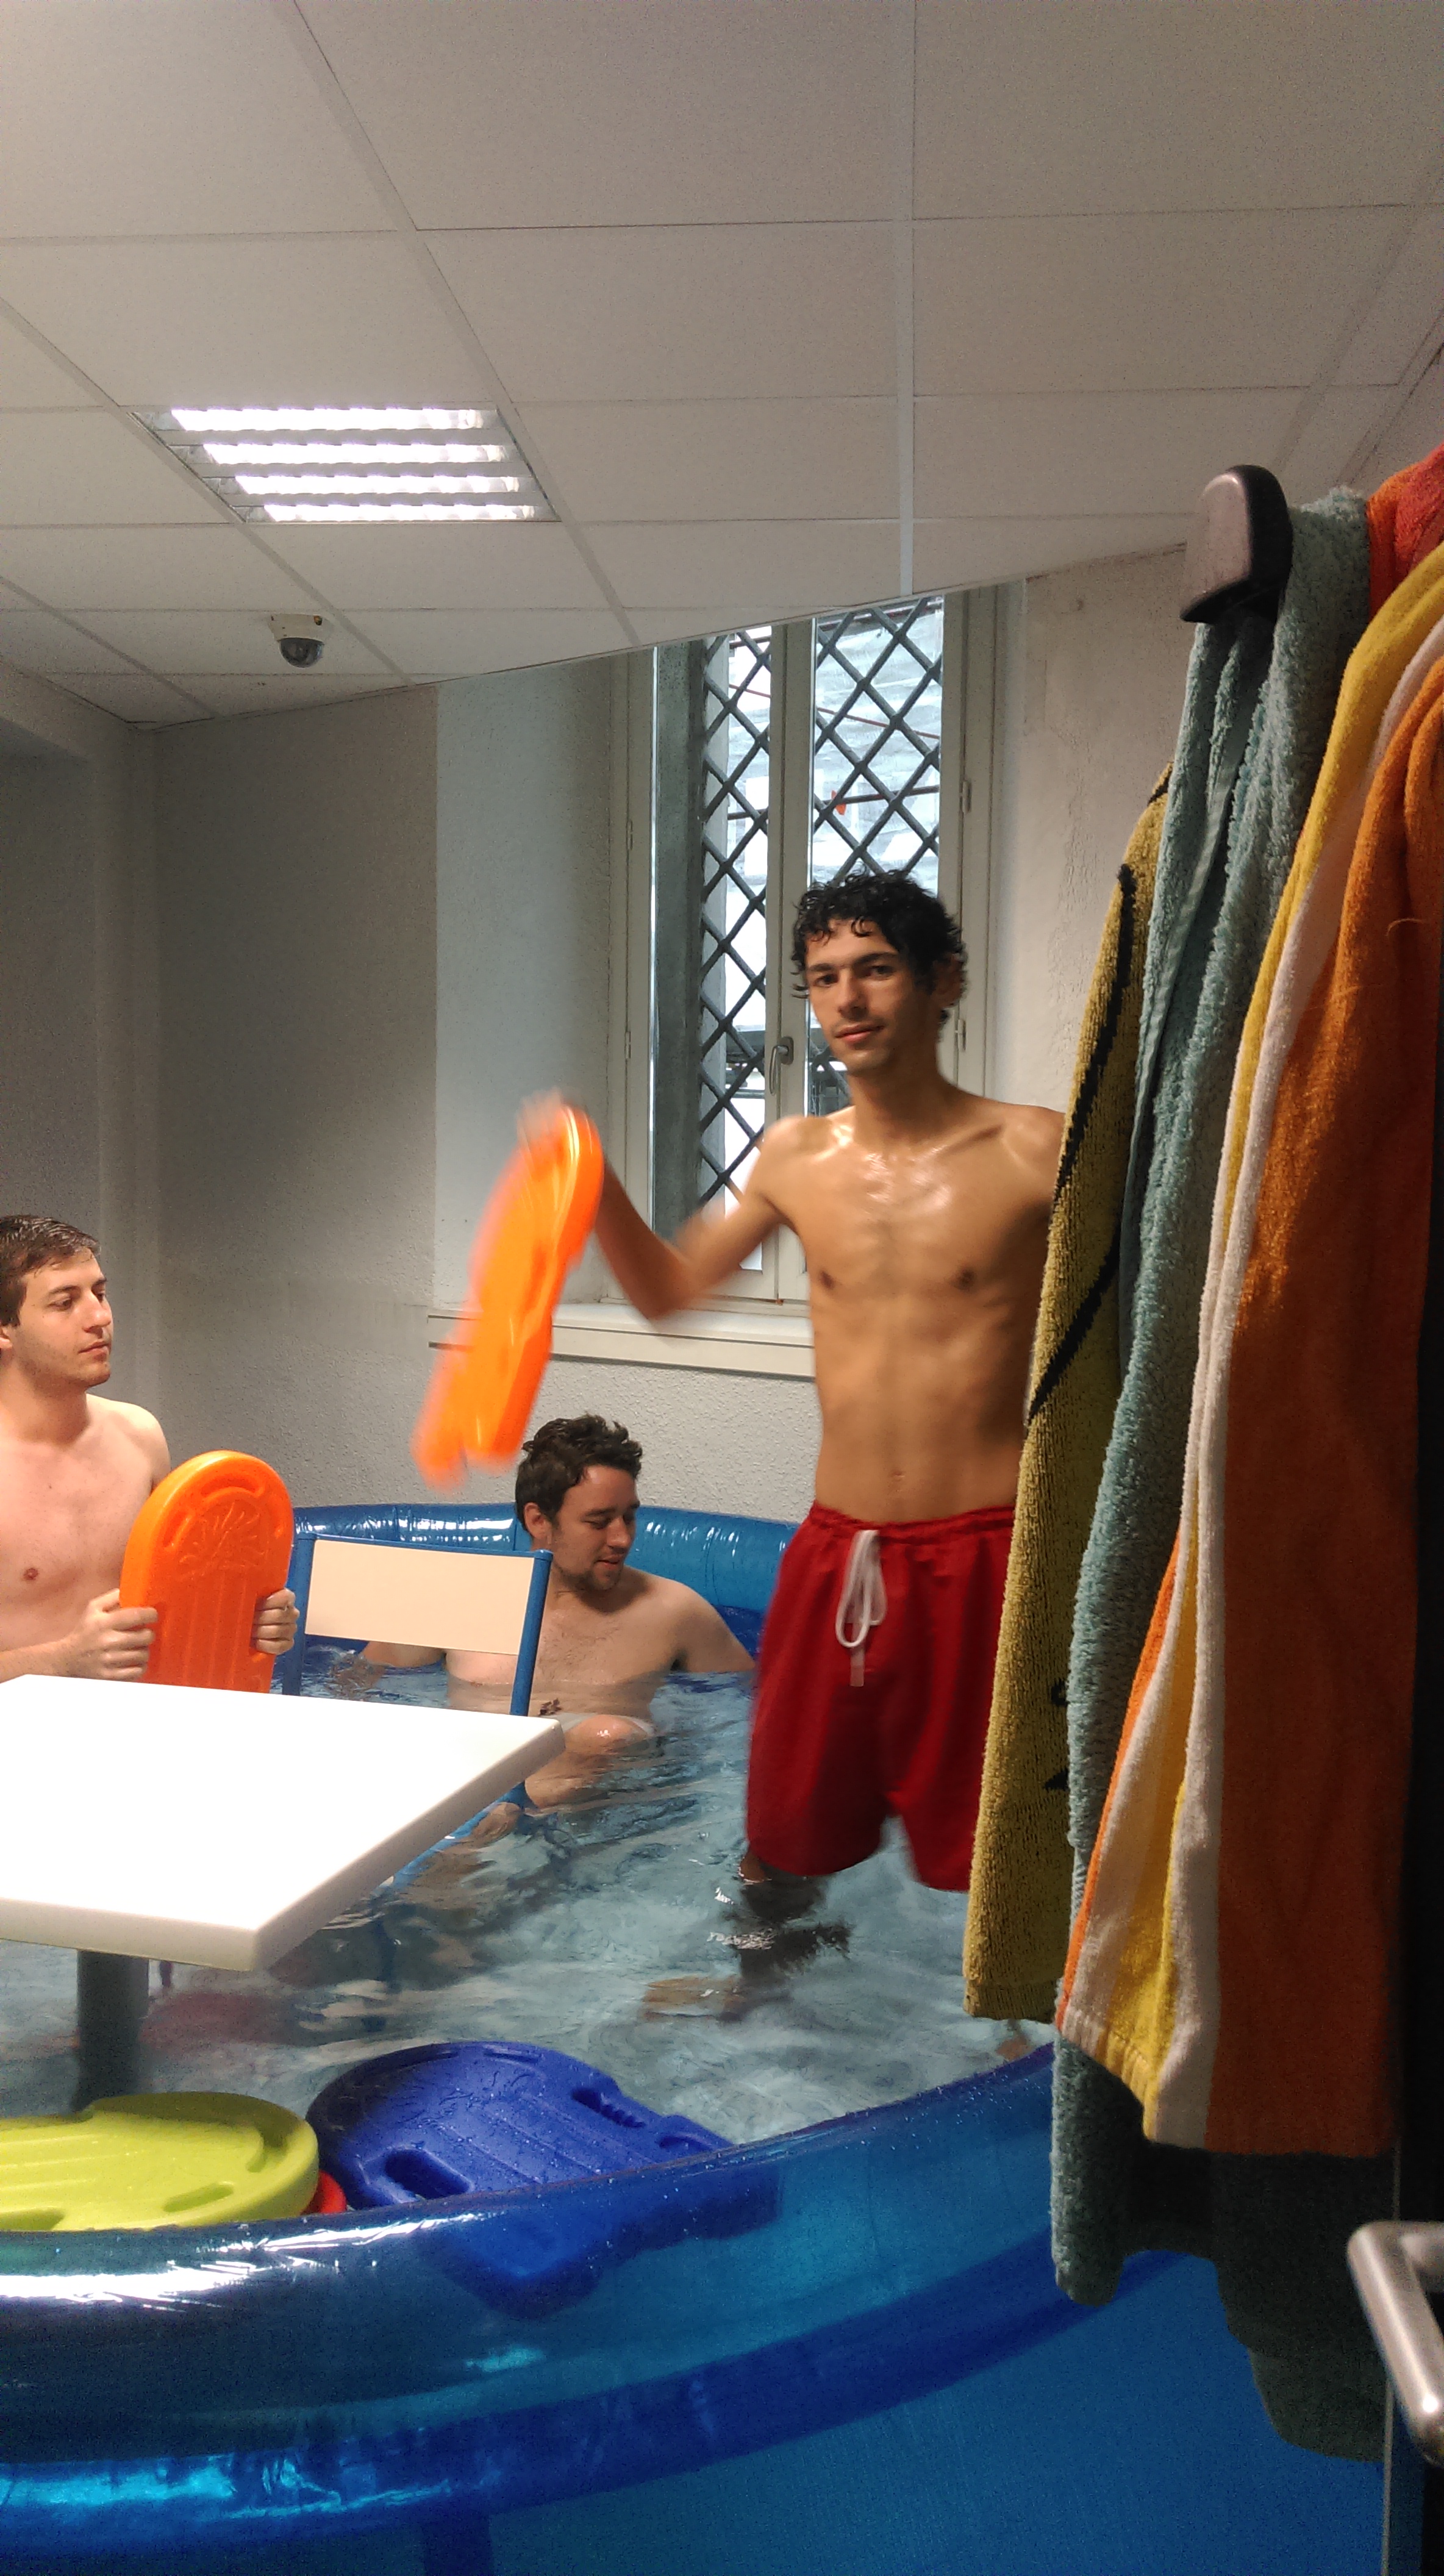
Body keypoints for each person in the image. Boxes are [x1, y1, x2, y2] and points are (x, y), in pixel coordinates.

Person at [584, 871, 1062, 1947]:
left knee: (1004, 1854)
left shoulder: (1037, 1148)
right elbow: (669, 1295)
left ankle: (1011, 2035)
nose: (847, 999)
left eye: (876, 969)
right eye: (824, 977)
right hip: (837, 1552)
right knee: (781, 1834)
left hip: (986, 1553)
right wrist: (591, 1184)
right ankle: (759, 2005)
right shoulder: (796, 1156)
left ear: (944, 982)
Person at [362, 1412, 752, 1820]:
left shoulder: (674, 1612)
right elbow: (354, 1691)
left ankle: (503, 1822)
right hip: (469, 1781)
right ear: (538, 1521)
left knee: (609, 1735)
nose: (622, 1538)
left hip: (605, 1810)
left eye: (629, 1517)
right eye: (598, 1522)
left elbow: (750, 1708)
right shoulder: (454, 1600)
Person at [0, 1215, 296, 1681]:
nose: (100, 1318)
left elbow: (181, 1605)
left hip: (141, 1713)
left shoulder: (139, 1436)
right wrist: (62, 1661)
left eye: (99, 1293)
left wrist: (251, 1620)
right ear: (5, 1330)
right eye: (65, 1303)